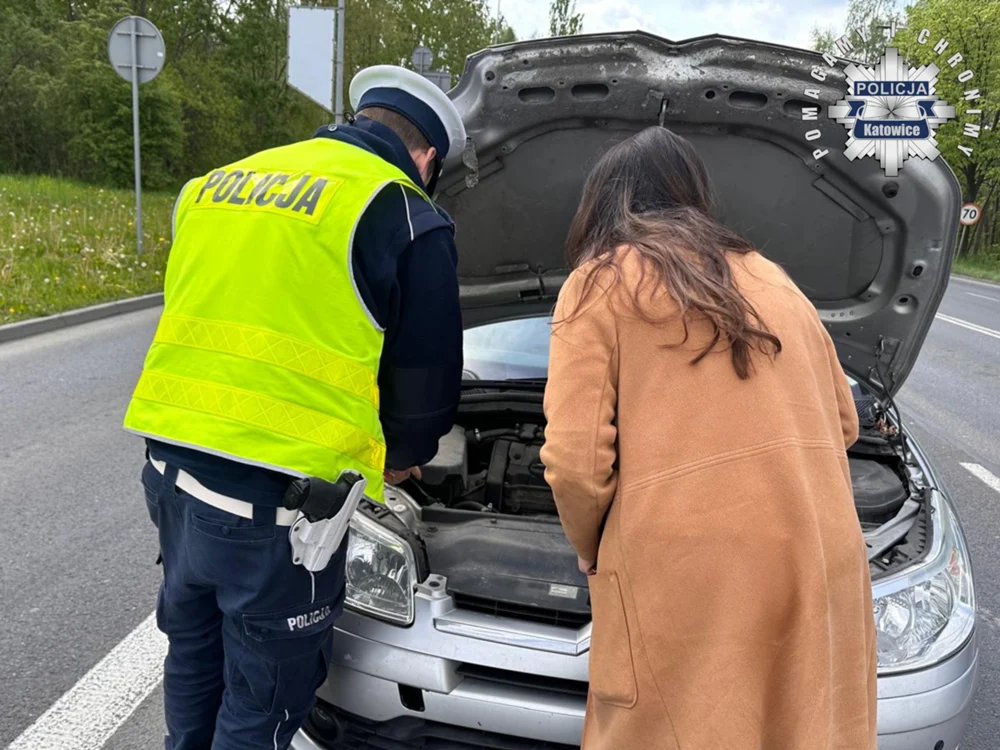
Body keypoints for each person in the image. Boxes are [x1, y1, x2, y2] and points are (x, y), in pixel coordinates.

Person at [122, 65, 466, 750]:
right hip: (276, 515)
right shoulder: (402, 211)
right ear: (427, 157)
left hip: (169, 474)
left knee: (194, 660)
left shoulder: (216, 184)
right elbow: (425, 389)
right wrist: (399, 461)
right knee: (261, 701)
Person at [539, 127, 876, 750]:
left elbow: (576, 464)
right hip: (819, 552)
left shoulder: (598, 284)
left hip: (692, 573)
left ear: (603, 204)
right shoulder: (775, 279)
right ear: (692, 194)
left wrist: (590, 549)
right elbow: (846, 423)